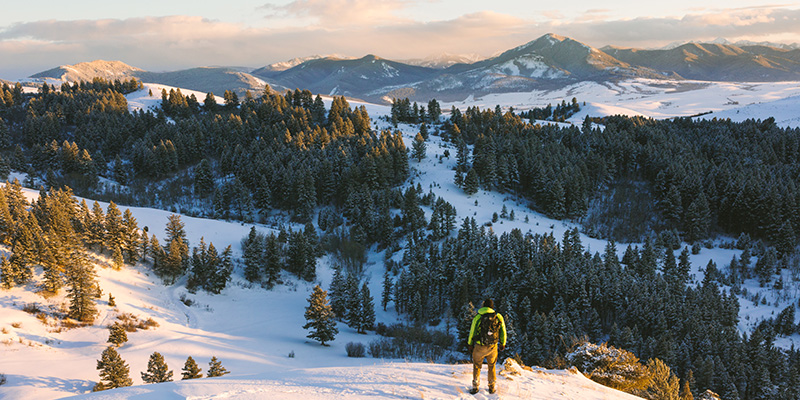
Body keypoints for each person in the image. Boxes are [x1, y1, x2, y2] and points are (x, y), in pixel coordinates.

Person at [467, 299, 507, 394]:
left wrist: (470, 344)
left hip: (480, 346)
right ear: (492, 307)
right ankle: (491, 387)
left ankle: (475, 386)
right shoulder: (498, 316)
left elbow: (472, 331)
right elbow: (503, 330)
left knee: (477, 366)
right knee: (491, 366)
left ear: (483, 306)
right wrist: (502, 343)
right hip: (493, 346)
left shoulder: (478, 316)